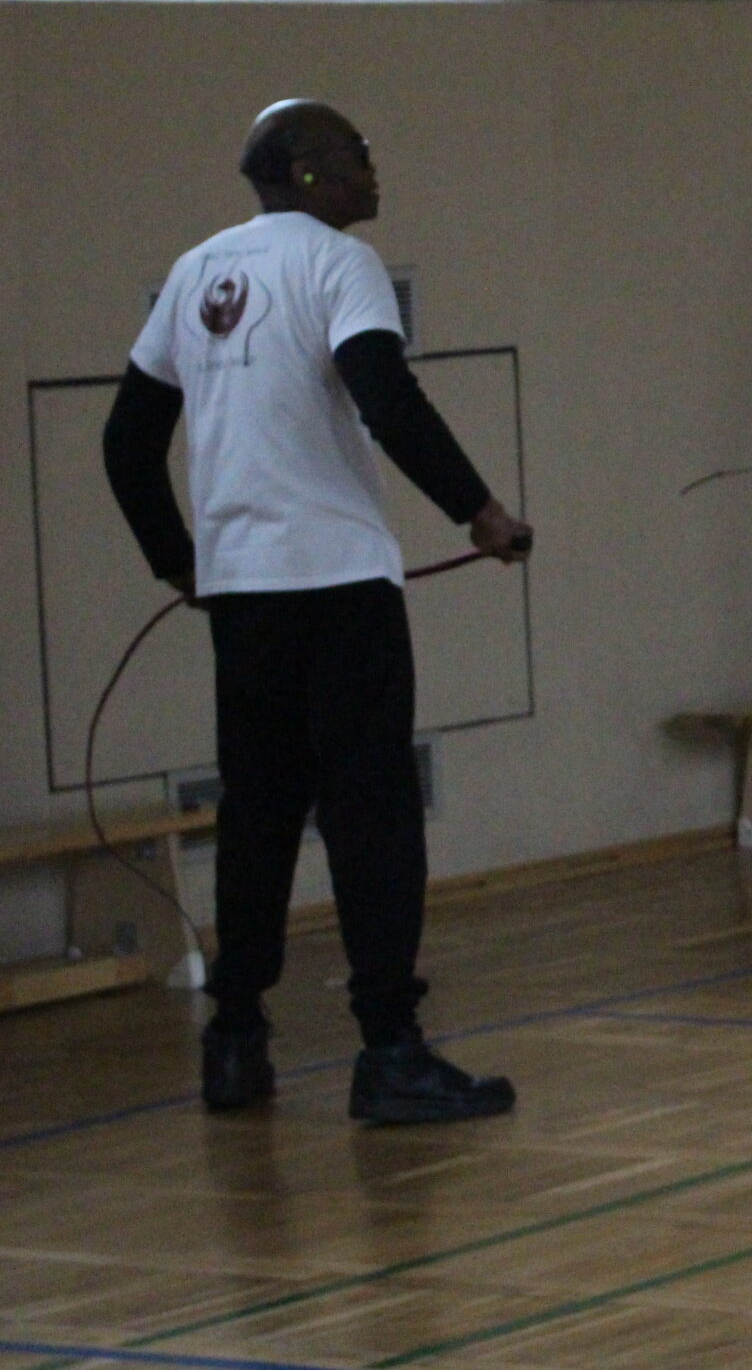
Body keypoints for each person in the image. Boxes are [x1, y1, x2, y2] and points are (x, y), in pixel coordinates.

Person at [102, 99, 534, 1124]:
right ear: (303, 172)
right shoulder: (340, 265)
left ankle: (235, 1043)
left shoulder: (196, 272)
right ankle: (390, 1052)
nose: (372, 169)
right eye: (355, 153)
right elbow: (386, 399)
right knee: (371, 815)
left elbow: (126, 440)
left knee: (257, 813)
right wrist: (480, 512)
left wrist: (180, 562)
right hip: (339, 588)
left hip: (243, 598)